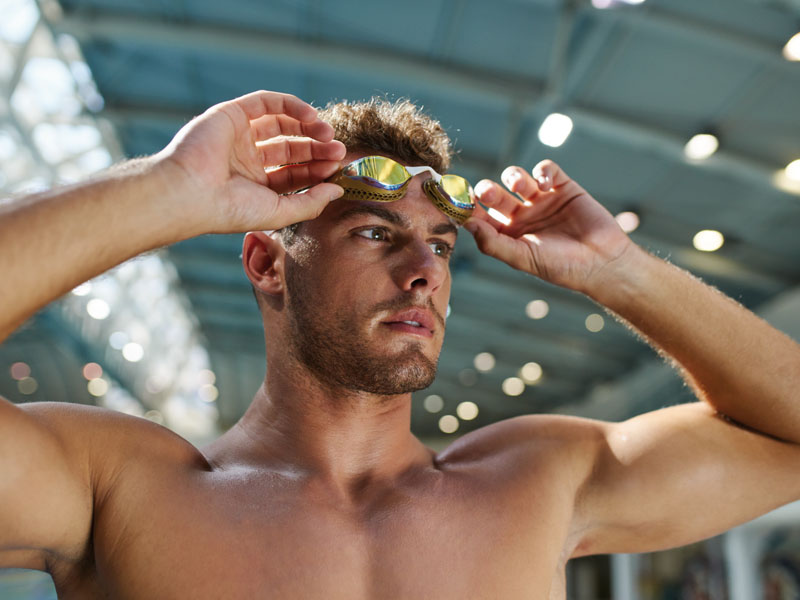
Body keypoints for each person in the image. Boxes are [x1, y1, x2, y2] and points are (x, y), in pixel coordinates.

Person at [1, 89, 799, 600]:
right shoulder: (122, 490)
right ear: (267, 261)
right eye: (376, 232)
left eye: (443, 247)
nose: (424, 271)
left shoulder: (536, 484)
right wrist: (165, 190)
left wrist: (623, 274)